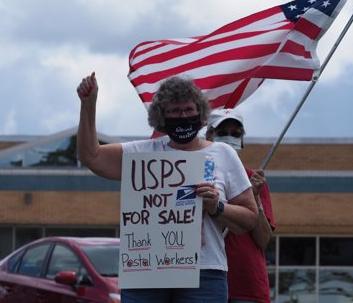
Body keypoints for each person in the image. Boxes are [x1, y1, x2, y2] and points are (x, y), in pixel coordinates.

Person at [76, 72, 259, 303]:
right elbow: (91, 155)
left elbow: (249, 218)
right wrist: (88, 105)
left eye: (188, 110)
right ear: (161, 117)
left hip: (204, 273)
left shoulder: (223, 154)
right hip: (146, 271)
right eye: (174, 111)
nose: (182, 116)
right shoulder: (142, 153)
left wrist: (218, 206)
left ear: (200, 113)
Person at [205, 108, 276, 303]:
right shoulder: (197, 175)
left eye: (236, 133)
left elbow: (263, 240)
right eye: (222, 132)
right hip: (204, 284)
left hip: (247, 287)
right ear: (208, 135)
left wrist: (254, 197)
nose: (229, 138)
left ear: (242, 140)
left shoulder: (254, 180)